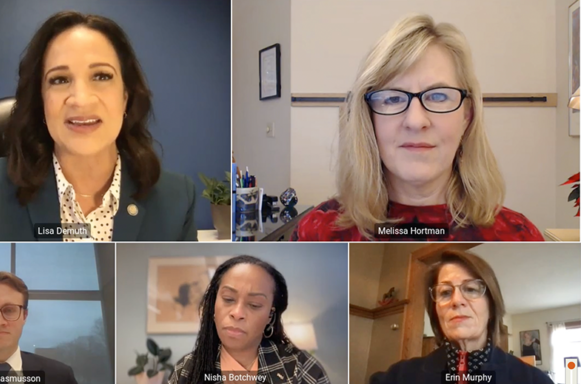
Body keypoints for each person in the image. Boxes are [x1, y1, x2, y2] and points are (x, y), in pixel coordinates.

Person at [0, 11, 197, 242]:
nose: (81, 99)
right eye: (60, 79)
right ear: (41, 100)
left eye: (101, 76)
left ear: (125, 97)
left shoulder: (176, 199)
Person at [292, 14, 542, 241]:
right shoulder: (316, 232)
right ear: (368, 117)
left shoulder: (518, 235)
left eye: (438, 96)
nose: (416, 121)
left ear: (467, 115)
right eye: (392, 98)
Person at [369, 250, 552, 384]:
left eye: (471, 289)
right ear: (435, 311)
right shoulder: (398, 377)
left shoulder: (534, 380)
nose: (456, 301)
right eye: (445, 292)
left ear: (491, 305)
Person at [169, 255, 330, 384]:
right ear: (213, 306)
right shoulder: (186, 370)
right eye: (228, 299)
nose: (237, 313)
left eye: (254, 304)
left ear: (270, 315)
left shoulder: (301, 369)